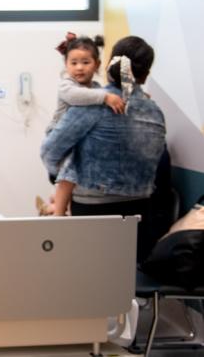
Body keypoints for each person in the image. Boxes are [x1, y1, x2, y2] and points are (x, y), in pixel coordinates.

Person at [40, 36, 166, 261]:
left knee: (90, 283)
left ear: (107, 65)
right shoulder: (155, 111)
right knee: (126, 280)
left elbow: (50, 151)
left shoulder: (92, 105)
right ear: (145, 74)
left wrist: (57, 176)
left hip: (94, 210)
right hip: (141, 212)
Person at [37, 33, 125, 216]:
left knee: (77, 178)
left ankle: (53, 205)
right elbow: (75, 96)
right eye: (74, 63)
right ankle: (58, 213)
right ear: (66, 65)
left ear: (97, 65)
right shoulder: (67, 85)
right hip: (61, 141)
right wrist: (106, 97)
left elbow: (113, 104)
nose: (79, 68)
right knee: (70, 172)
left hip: (80, 138)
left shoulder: (96, 87)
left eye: (86, 62)